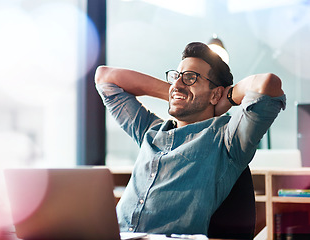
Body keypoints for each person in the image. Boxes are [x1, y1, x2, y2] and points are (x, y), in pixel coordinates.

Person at [94, 42, 286, 234]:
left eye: (190, 78)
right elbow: (105, 77)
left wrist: (225, 98)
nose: (177, 83)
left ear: (216, 93)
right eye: (176, 77)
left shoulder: (227, 140)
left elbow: (267, 84)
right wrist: (177, 93)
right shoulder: (151, 131)